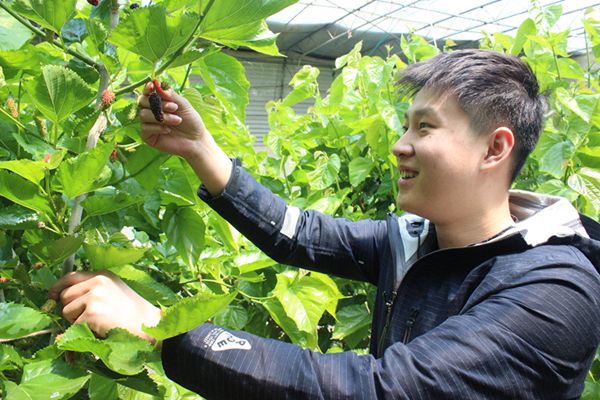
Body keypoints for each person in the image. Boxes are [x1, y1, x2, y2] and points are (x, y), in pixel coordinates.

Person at [49, 49, 600, 399]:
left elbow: (384, 390)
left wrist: (162, 326)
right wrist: (199, 148)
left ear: (494, 149)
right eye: (405, 126)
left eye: (425, 128)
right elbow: (300, 234)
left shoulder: (553, 291)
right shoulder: (418, 240)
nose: (399, 145)